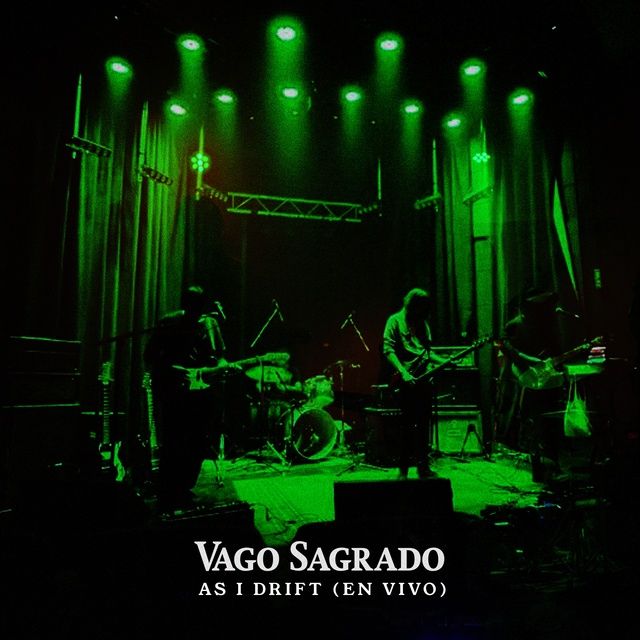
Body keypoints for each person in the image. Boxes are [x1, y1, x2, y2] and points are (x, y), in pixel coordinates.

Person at [143, 284, 239, 509]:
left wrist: (224, 367)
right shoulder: (169, 323)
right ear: (185, 304)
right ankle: (168, 492)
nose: (196, 310)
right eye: (192, 305)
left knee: (198, 441)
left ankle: (185, 488)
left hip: (202, 393)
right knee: (174, 441)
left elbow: (220, 357)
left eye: (199, 305)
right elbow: (150, 356)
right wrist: (171, 369)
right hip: (174, 392)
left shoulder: (210, 324)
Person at [495, 288, 566, 481]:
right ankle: (537, 467)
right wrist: (529, 365)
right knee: (531, 423)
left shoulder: (546, 322)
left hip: (546, 380)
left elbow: (554, 350)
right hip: (526, 380)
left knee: (550, 423)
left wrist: (554, 367)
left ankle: (552, 464)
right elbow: (510, 351)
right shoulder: (514, 325)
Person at [382, 287, 447, 479]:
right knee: (406, 426)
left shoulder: (423, 324)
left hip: (423, 381)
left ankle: (423, 468)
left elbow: (427, 353)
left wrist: (444, 361)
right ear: (412, 305)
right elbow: (388, 350)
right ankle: (403, 469)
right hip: (406, 381)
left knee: (424, 425)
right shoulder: (394, 321)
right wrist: (403, 373)